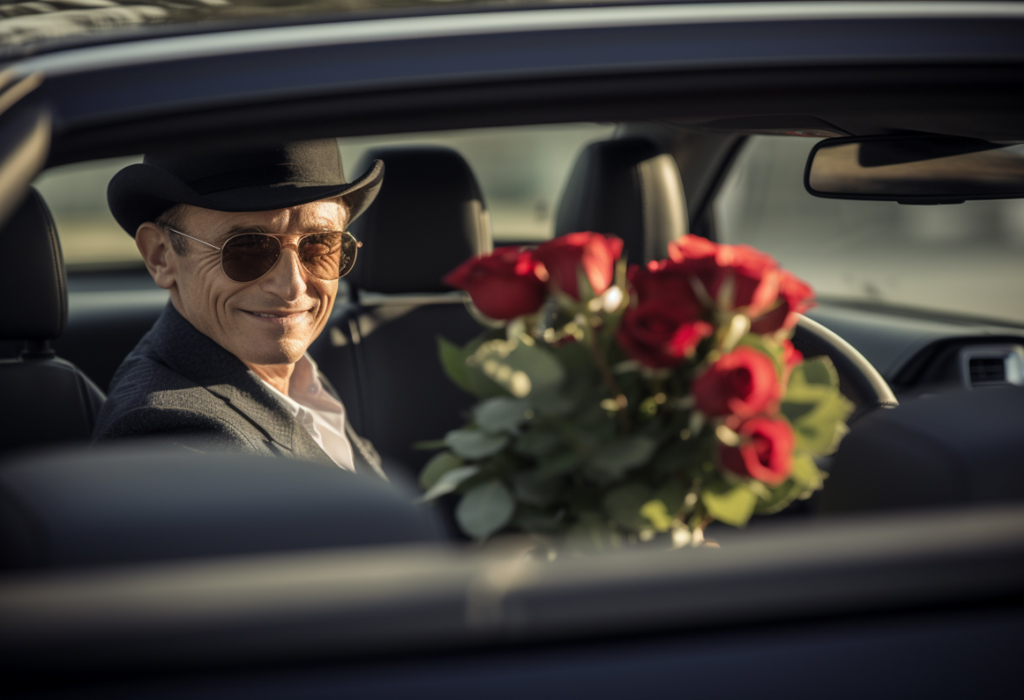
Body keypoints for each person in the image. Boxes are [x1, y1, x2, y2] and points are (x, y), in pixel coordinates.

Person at [94, 140, 388, 480]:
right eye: (248, 248)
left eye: (319, 244)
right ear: (161, 255)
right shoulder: (174, 440)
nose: (292, 285)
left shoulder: (293, 379)